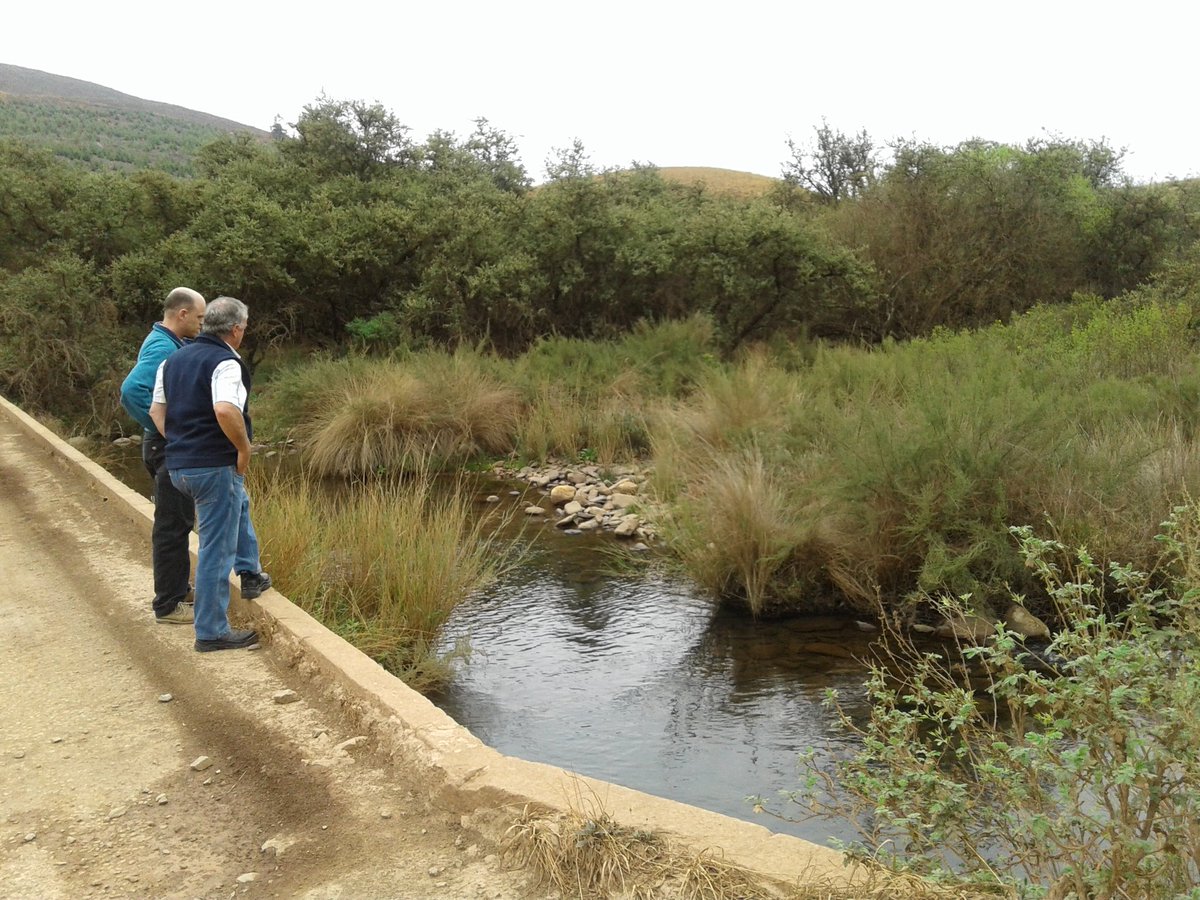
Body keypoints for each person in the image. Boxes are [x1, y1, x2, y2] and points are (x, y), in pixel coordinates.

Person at [149, 296, 271, 652]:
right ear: (235, 330)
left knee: (238, 501)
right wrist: (244, 448)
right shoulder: (226, 363)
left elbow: (156, 410)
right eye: (243, 328)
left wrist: (180, 442)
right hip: (212, 466)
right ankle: (211, 631)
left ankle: (251, 573)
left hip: (178, 467)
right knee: (215, 550)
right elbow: (225, 409)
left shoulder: (172, 360)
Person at [119, 287, 206, 624]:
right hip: (166, 449)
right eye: (198, 317)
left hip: (164, 446)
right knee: (171, 525)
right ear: (182, 314)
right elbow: (132, 391)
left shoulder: (170, 342)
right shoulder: (162, 346)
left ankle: (178, 589)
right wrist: (169, 430)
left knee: (180, 521)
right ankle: (168, 605)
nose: (201, 324)